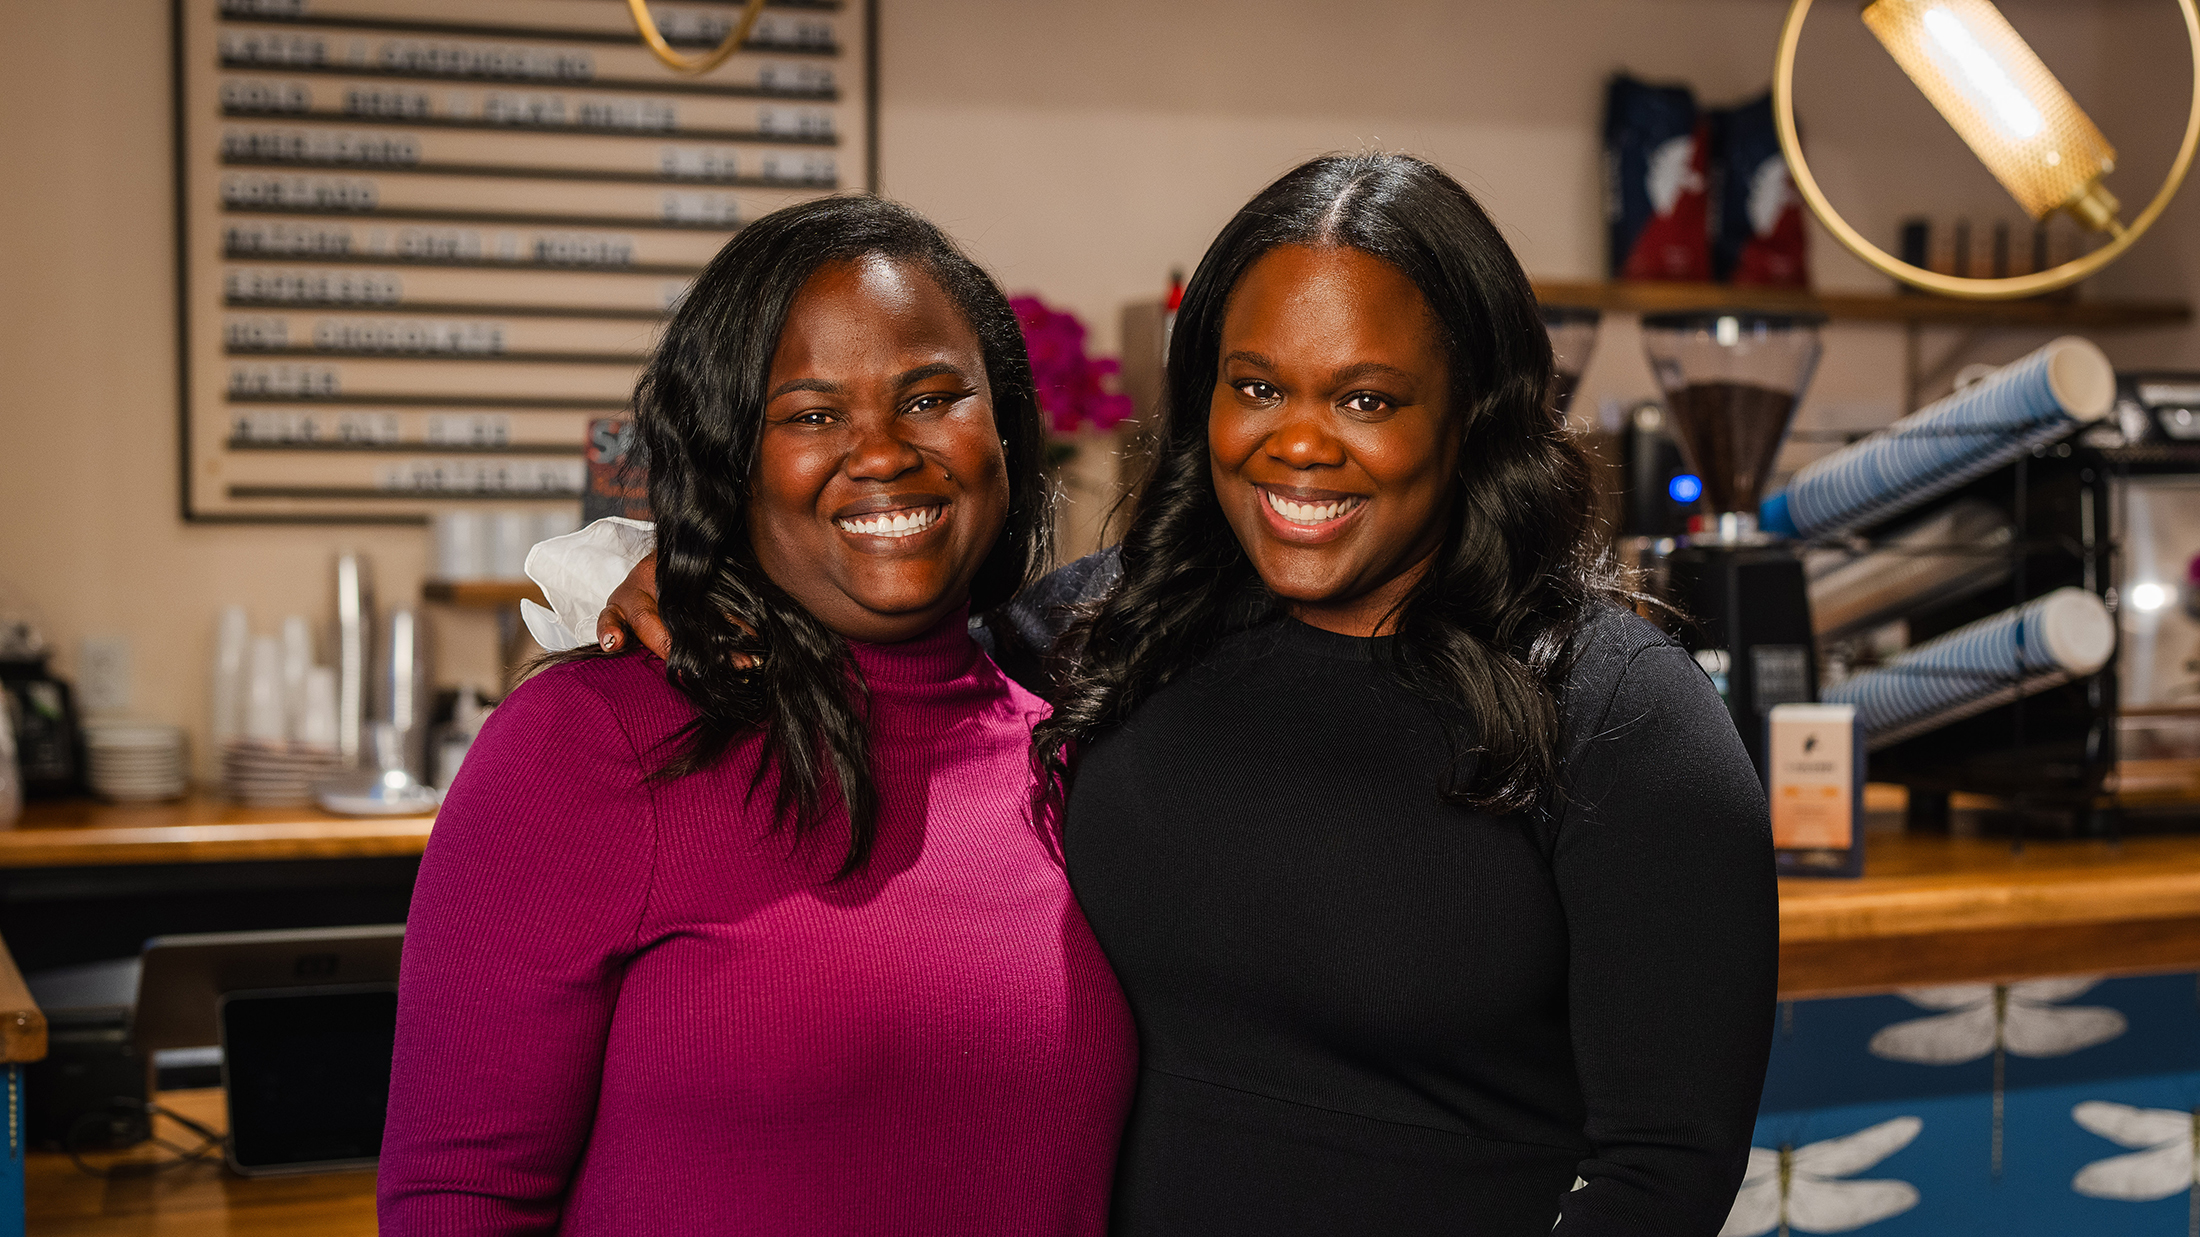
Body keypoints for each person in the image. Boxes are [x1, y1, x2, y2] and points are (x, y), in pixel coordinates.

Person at [585, 153, 1776, 1235]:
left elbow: (1664, 1165)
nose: (1298, 443)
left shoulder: (1625, 717)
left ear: (1471, 412)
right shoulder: (1096, 633)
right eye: (1256, 387)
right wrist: (674, 579)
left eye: (1366, 399)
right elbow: (880, 662)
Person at [377, 196, 1137, 1236]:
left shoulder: (1088, 747)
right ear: (733, 456)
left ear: (1005, 428)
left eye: (930, 397)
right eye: (812, 413)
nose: (880, 452)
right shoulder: (589, 746)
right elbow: (457, 1202)